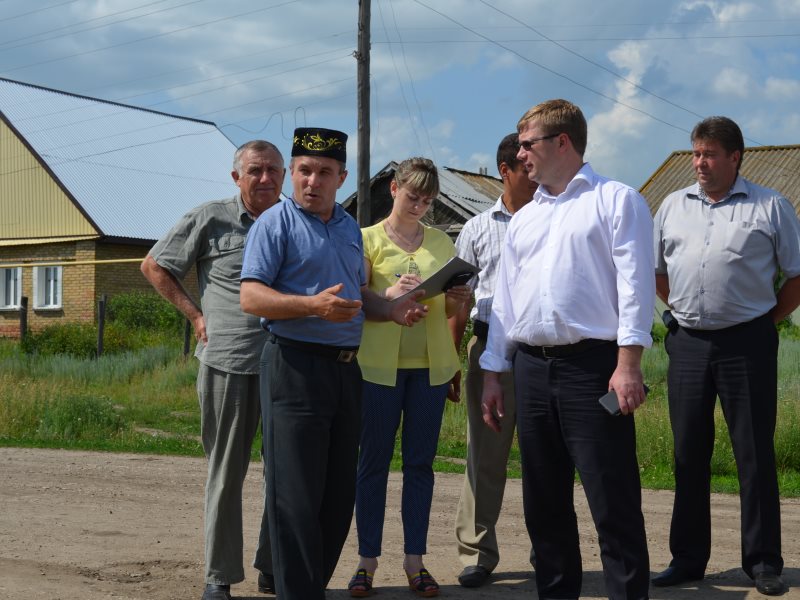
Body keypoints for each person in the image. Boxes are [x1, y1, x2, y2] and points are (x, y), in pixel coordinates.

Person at [239, 127, 428, 600]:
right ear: (292, 175)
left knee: (337, 495)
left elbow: (358, 295)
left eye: (323, 173)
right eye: (303, 171)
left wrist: (391, 309)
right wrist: (311, 306)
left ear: (341, 178)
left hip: (347, 371)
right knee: (296, 496)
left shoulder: (347, 228)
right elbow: (251, 295)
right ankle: (299, 592)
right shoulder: (275, 224)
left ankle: (304, 585)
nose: (312, 181)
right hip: (294, 366)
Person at [480, 99, 654, 600]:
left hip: (594, 370)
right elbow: (507, 303)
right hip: (532, 371)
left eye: (527, 144)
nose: (519, 155)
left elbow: (636, 287)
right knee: (544, 505)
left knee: (612, 501)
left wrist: (629, 364)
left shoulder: (616, 200)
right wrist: (494, 372)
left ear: (562, 143)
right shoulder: (526, 219)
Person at [651, 116, 800, 597]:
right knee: (687, 452)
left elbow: (796, 275)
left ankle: (762, 563)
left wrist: (767, 321)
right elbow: (654, 271)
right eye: (695, 153)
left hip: (748, 344)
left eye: (709, 154)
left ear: (736, 158)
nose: (699, 163)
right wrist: (676, 313)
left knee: (753, 453)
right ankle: (688, 559)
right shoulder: (672, 205)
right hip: (689, 344)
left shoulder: (770, 206)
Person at [141, 140, 284, 600]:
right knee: (227, 472)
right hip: (230, 362)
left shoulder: (293, 219)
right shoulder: (210, 218)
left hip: (287, 364)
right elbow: (155, 266)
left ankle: (272, 565)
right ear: (236, 177)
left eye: (273, 171)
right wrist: (195, 315)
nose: (266, 179)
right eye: (256, 170)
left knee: (284, 473)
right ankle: (219, 576)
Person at [347, 158, 471, 598]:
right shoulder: (366, 239)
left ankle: (415, 561)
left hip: (431, 369)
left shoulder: (441, 241)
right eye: (412, 195)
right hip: (378, 367)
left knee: (420, 465)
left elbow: (455, 310)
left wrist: (459, 297)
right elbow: (357, 298)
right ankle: (366, 562)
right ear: (394, 188)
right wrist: (387, 295)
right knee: (372, 464)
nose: (419, 205)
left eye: (428, 199)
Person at [451, 133, 537, 588]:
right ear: (506, 170)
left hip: (547, 352)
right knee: (485, 455)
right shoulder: (477, 229)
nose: (534, 172)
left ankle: (550, 548)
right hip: (488, 350)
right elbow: (459, 302)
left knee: (547, 456)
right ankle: (477, 552)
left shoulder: (554, 220)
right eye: (526, 166)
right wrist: (450, 357)